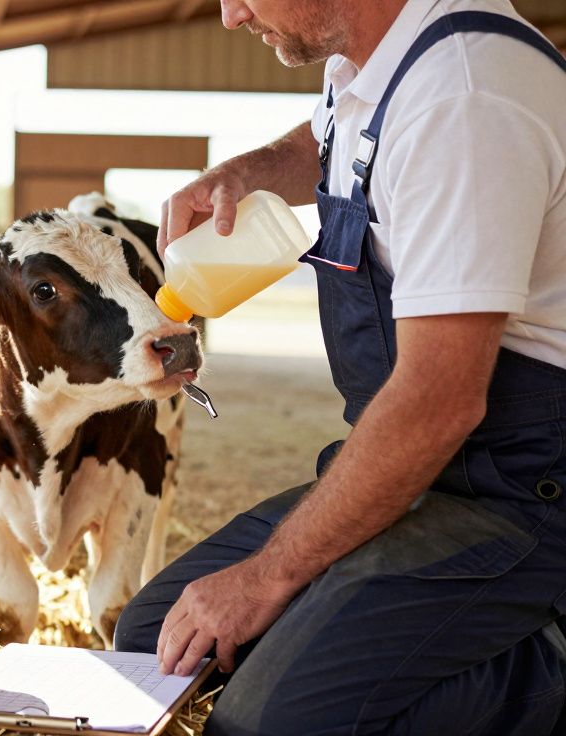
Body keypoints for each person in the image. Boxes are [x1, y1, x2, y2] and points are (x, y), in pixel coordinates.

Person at [113, 0, 566, 733]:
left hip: (523, 492)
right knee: (155, 645)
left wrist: (266, 578)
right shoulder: (372, 62)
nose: (230, 15)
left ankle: (545, 656)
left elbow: (438, 403)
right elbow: (335, 141)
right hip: (430, 471)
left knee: (273, 722)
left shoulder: (464, 95)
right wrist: (249, 172)